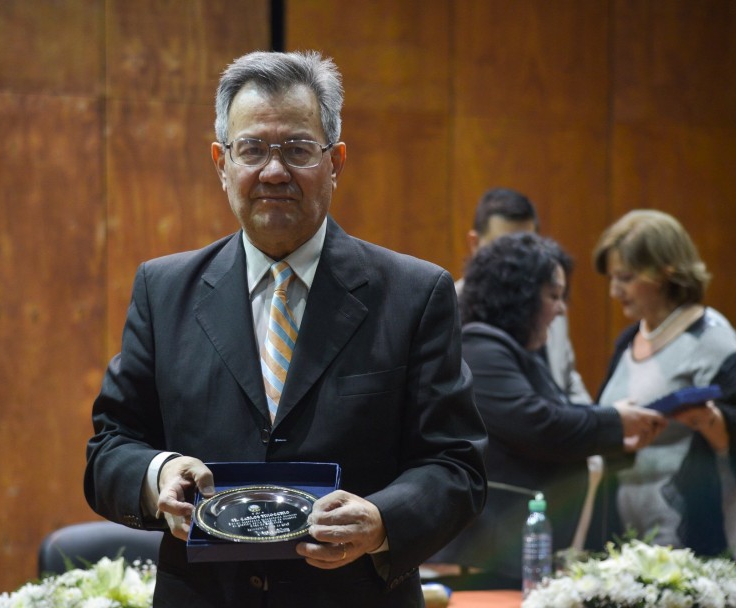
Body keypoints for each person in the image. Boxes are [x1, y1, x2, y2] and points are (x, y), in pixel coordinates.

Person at [83, 50, 488, 608]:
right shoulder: (164, 289)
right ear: (221, 162)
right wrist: (158, 473)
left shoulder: (415, 294)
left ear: (336, 161)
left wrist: (382, 519)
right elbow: (110, 446)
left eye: (298, 149)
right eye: (252, 149)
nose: (274, 172)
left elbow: (456, 465)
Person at [429, 232, 666, 589]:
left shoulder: (519, 353)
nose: (561, 309)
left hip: (510, 556)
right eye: (553, 295)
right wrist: (615, 421)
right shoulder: (480, 346)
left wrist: (621, 438)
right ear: (520, 297)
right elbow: (541, 425)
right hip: (482, 560)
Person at [594, 209, 736, 559]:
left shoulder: (713, 340)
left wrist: (707, 418)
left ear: (665, 272)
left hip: (689, 539)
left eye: (625, 278)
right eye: (612, 278)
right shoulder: (628, 340)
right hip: (627, 537)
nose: (615, 291)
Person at [456, 187, 592, 404]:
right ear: (474, 244)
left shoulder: (549, 302)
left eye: (526, 247)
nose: (517, 261)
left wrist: (598, 427)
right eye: (503, 248)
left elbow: (566, 381)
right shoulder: (449, 305)